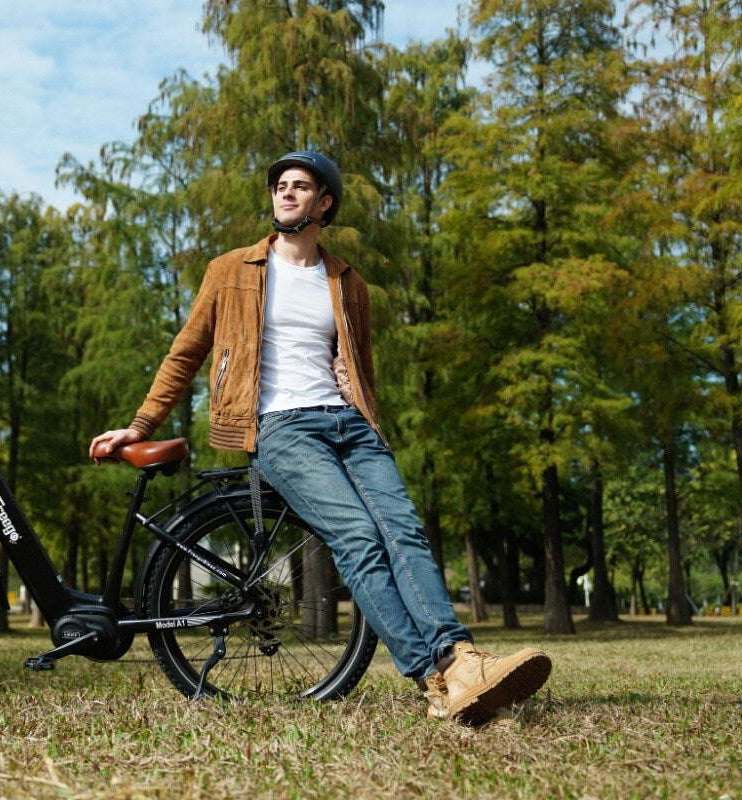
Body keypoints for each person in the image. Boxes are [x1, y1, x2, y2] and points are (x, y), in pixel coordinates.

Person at [89, 151, 551, 725]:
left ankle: (463, 661)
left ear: (323, 202)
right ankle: (435, 679)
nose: (284, 194)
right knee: (357, 536)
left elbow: (361, 366)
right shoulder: (231, 270)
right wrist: (141, 425)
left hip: (348, 423)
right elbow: (186, 352)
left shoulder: (346, 281)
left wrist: (355, 393)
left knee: (403, 529)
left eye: (299, 186)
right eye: (279, 186)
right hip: (280, 426)